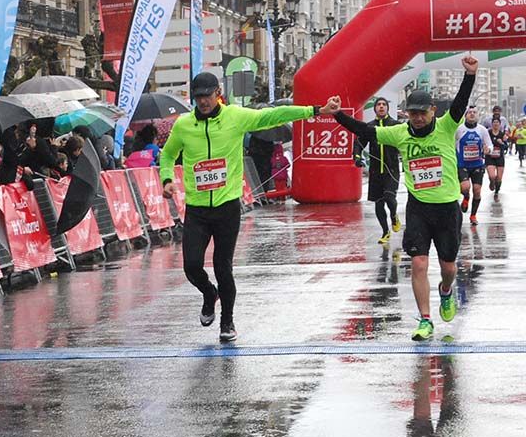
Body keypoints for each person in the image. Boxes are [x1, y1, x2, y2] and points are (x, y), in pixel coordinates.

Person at [160, 72, 340, 342]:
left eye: (207, 96)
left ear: (218, 92)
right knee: (192, 266)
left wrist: (315, 110)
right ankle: (209, 294)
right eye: (198, 97)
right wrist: (167, 179)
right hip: (197, 208)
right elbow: (168, 154)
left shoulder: (235, 116)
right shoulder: (184, 125)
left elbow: (273, 116)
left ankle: (227, 322)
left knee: (223, 266)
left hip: (227, 206)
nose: (203, 102)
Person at [332, 56, 478, 341]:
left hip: (447, 207)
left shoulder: (446, 126)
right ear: (407, 114)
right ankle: (425, 320)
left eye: (423, 113)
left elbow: (460, 103)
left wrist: (470, 76)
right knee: (420, 264)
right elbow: (366, 131)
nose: (419, 118)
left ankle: (446, 291)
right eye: (413, 114)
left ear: (433, 111)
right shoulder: (399, 133)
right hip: (419, 208)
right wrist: (338, 116)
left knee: (448, 267)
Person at [352, 97, 402, 244]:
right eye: (378, 105)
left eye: (384, 105)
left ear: (387, 108)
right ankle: (385, 231)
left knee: (389, 197)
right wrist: (356, 156)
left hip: (391, 169)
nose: (381, 107)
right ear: (375, 109)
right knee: (379, 203)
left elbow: (405, 142)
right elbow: (359, 143)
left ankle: (394, 216)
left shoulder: (395, 125)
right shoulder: (370, 127)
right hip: (375, 171)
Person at [455, 106, 491, 227]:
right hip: (462, 164)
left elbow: (489, 144)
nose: (472, 114)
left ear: (477, 115)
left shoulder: (482, 130)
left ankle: (473, 215)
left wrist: (488, 149)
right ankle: (466, 197)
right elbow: (451, 143)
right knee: (465, 187)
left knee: (477, 190)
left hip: (478, 165)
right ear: (465, 115)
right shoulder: (459, 129)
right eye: (469, 112)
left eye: (474, 112)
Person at [486, 117, 507, 197]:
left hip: (500, 158)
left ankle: (497, 191)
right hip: (490, 157)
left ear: (500, 124)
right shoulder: (488, 133)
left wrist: (502, 143)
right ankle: (491, 182)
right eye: (494, 122)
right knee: (492, 176)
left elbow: (506, 147)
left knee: (499, 178)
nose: (495, 124)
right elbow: (483, 143)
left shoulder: (502, 134)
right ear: (491, 124)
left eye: (497, 122)